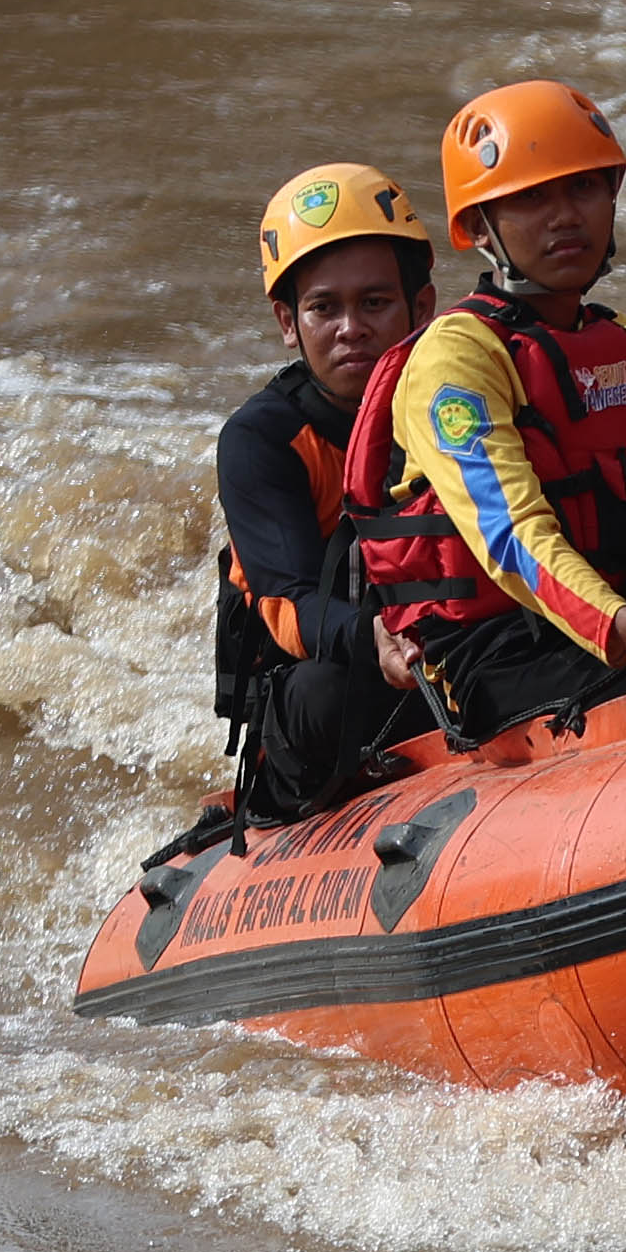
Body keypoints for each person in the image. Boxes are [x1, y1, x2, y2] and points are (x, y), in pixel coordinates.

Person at [342, 80, 626, 743]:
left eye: (584, 188)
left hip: (624, 622)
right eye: (532, 197)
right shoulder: (454, 359)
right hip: (488, 656)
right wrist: (624, 629)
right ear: (480, 228)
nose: (566, 216)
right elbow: (510, 534)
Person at [213, 162, 440, 822]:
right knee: (323, 688)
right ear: (289, 321)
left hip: (447, 656)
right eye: (323, 308)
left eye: (374, 303)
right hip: (332, 695)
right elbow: (287, 606)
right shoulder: (263, 440)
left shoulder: (461, 402)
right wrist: (376, 636)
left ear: (420, 308)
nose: (351, 328)